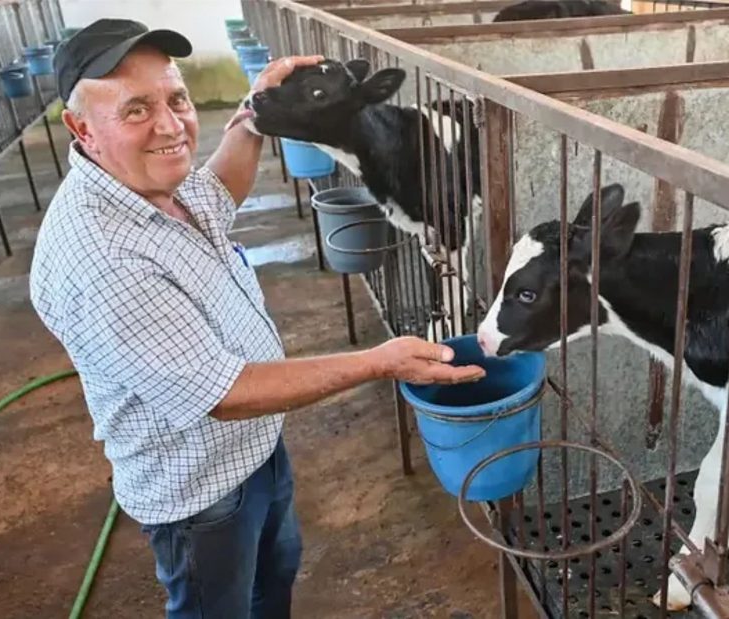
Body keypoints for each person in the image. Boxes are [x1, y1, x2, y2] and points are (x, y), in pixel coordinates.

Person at [28, 18, 485, 618]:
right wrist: (380, 361)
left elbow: (217, 192)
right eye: (135, 109)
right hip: (202, 495)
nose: (170, 125)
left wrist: (256, 111)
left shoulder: (143, 183)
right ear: (80, 127)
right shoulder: (102, 257)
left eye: (177, 98)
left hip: (255, 448)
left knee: (275, 581)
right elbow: (225, 393)